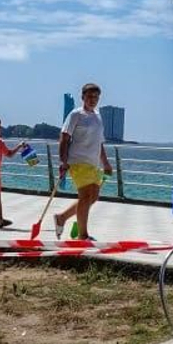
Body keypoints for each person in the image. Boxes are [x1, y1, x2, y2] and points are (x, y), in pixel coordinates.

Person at [55, 82, 115, 240]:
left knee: (92, 197)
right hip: (78, 161)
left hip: (93, 163)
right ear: (83, 97)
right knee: (86, 196)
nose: (93, 99)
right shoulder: (76, 114)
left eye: (96, 97)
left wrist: (106, 163)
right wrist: (63, 161)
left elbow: (99, 143)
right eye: (89, 96)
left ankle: (61, 217)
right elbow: (64, 137)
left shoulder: (97, 116)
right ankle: (83, 235)